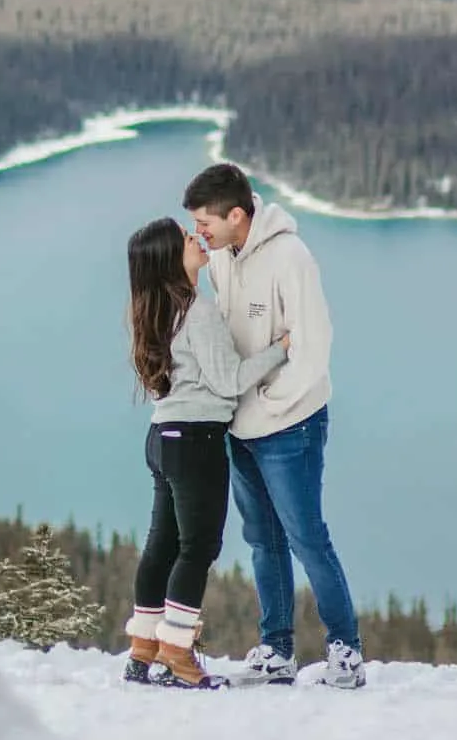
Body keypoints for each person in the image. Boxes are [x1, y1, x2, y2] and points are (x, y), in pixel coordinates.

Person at [183, 162, 365, 690]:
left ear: (237, 215)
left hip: (290, 427)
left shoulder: (291, 258)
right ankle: (277, 649)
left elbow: (313, 346)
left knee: (307, 537)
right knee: (262, 539)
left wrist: (270, 401)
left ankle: (345, 650)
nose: (200, 232)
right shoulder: (222, 257)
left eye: (206, 222)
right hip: (240, 427)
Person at [123, 216, 290, 689]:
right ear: (169, 259)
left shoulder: (152, 311)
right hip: (196, 440)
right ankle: (177, 652)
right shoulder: (196, 311)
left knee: (162, 546)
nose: (196, 239)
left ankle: (144, 648)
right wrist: (283, 347)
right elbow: (232, 381)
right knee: (198, 548)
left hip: (162, 438)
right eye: (185, 239)